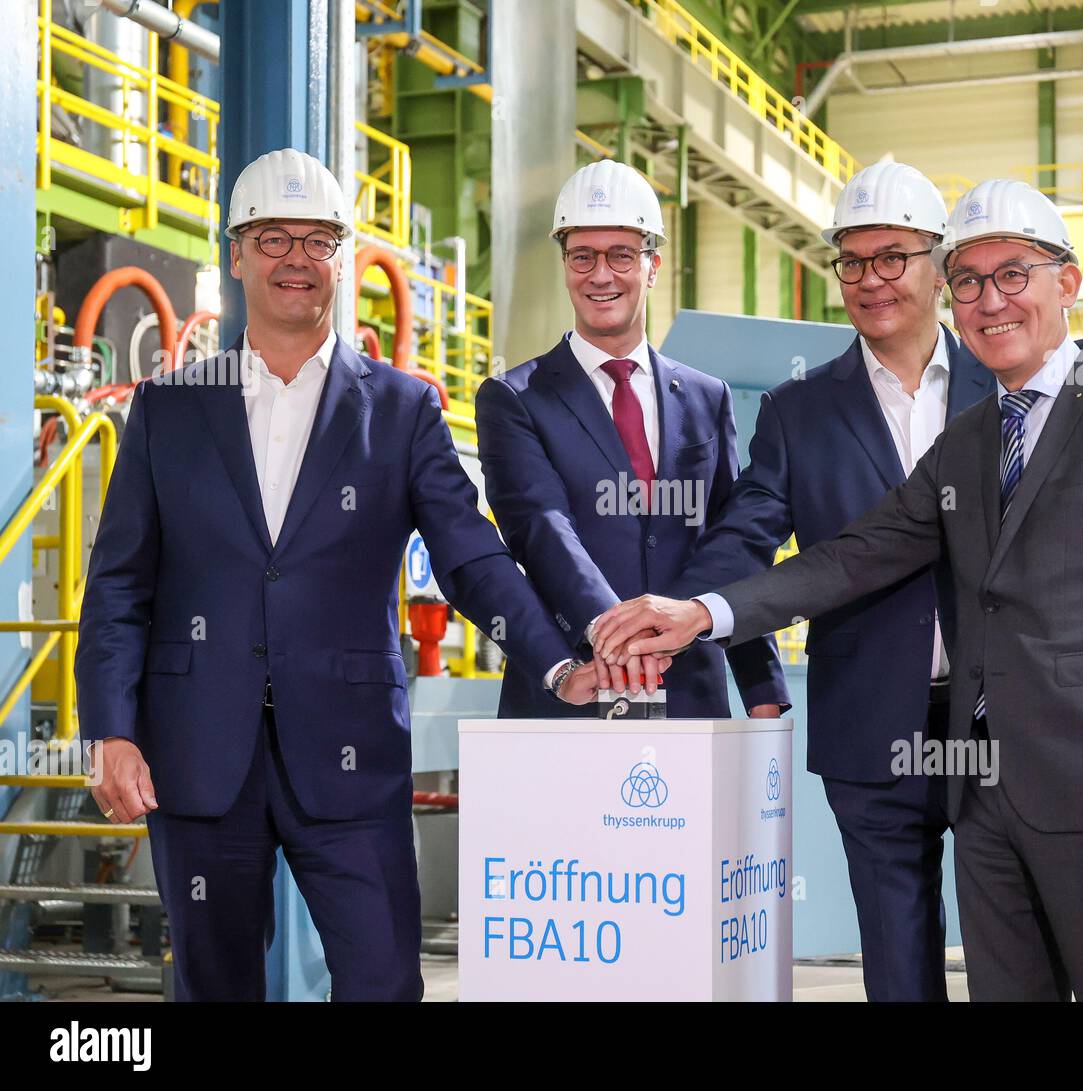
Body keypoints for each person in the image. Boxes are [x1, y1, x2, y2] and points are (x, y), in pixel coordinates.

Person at [593, 179, 1083, 1002]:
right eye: (971, 282)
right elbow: (856, 555)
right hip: (985, 795)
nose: (989, 300)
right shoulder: (969, 443)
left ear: (1066, 282)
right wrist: (703, 612)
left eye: (1013, 275)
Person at [74, 149, 634, 1002]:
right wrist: (110, 728)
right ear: (235, 253)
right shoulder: (169, 408)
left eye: (318, 239)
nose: (296, 258)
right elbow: (119, 585)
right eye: (273, 238)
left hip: (352, 749)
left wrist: (556, 659)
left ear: (343, 256)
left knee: (381, 980)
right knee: (212, 986)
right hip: (196, 754)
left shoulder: (402, 408)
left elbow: (470, 552)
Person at [628, 160, 994, 1000]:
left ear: (939, 263)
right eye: (853, 261)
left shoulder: (1001, 383)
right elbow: (747, 534)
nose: (871, 281)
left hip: (999, 720)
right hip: (869, 724)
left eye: (892, 256)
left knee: (1013, 954)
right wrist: (693, 609)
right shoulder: (801, 410)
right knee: (899, 968)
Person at [475, 159, 788, 719]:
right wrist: (611, 631)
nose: (601, 275)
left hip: (690, 686)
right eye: (582, 256)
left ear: (652, 266)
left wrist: (762, 689)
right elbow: (540, 526)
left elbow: (731, 543)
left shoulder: (705, 397)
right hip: (575, 686)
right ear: (565, 265)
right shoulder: (514, 398)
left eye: (621, 255)